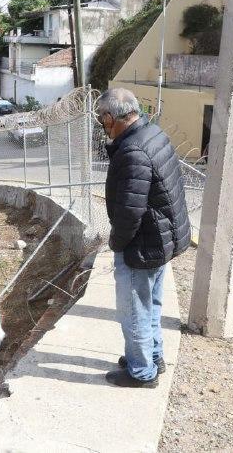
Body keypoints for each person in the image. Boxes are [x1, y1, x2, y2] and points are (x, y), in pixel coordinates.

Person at [97, 88, 191, 388]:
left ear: (111, 117)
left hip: (143, 245)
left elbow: (129, 211)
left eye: (102, 118)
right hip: (160, 240)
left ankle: (141, 372)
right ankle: (153, 356)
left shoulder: (132, 151)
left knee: (135, 309)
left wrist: (117, 244)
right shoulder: (153, 134)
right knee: (150, 304)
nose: (102, 124)